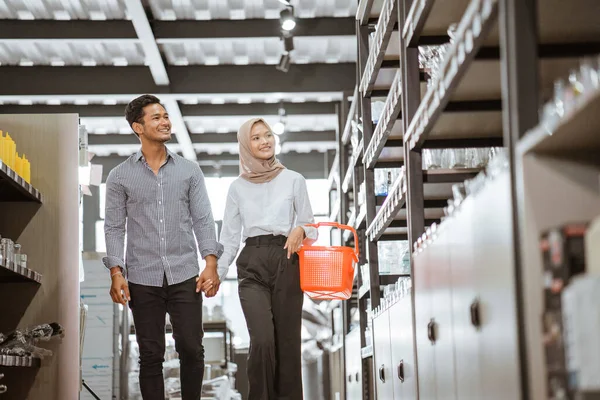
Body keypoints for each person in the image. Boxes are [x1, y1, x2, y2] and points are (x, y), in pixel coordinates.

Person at [103, 94, 223, 400]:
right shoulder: (119, 177)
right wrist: (116, 272)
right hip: (142, 277)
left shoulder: (189, 171)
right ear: (137, 127)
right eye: (155, 117)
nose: (165, 121)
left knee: (192, 349)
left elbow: (204, 219)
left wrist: (210, 262)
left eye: (165, 115)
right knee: (151, 354)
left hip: (185, 273)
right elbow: (115, 226)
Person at [202, 117, 317, 400]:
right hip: (251, 262)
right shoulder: (237, 188)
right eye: (256, 137)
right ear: (245, 145)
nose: (265, 141)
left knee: (288, 343)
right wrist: (217, 271)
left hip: (287, 259)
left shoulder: (294, 180)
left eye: (268, 135)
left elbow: (311, 225)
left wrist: (300, 229)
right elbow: (229, 237)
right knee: (263, 340)